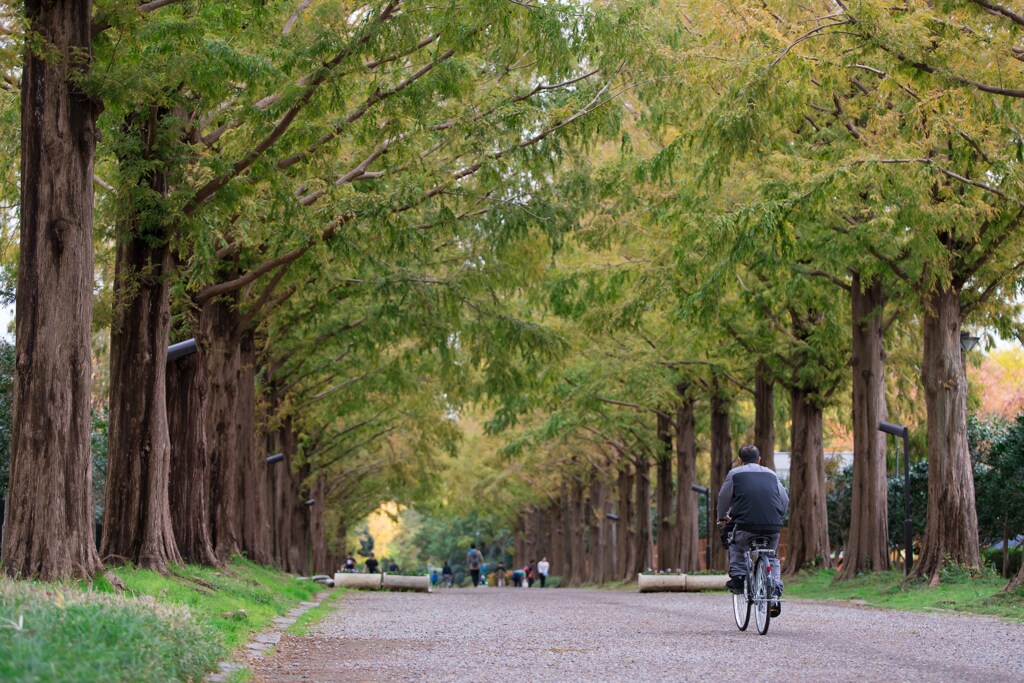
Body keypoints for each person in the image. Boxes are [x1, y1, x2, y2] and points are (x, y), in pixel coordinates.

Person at [716, 444, 788, 598]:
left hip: (745, 526)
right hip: (772, 527)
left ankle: (739, 578)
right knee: (771, 555)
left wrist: (722, 516)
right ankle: (774, 589)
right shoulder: (772, 474)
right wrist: (778, 515)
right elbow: (785, 499)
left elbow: (723, 497)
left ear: (740, 460)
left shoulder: (735, 474)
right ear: (759, 459)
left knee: (736, 545)